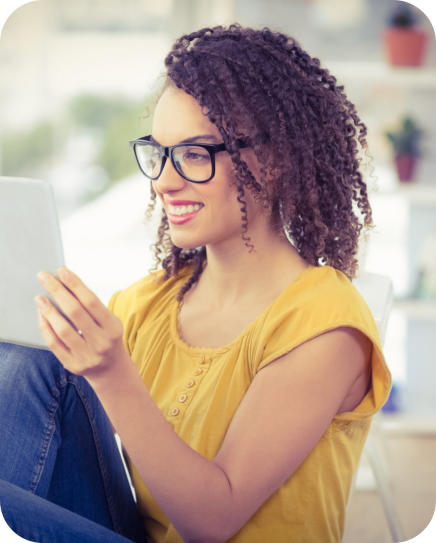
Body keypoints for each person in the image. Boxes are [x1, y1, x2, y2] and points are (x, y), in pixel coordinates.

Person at [0, 24, 392, 543]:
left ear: (274, 161)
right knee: (32, 363)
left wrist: (113, 374)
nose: (163, 180)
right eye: (159, 152)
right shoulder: (148, 303)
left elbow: (212, 521)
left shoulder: (324, 323)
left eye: (193, 154)